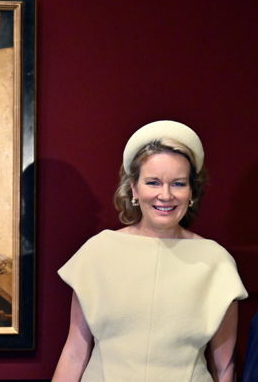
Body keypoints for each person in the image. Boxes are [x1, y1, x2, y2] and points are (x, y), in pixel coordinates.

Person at [52, 120, 247, 381]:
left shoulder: (216, 261)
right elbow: (75, 352)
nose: (165, 195)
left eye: (178, 183)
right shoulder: (98, 252)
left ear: (192, 192)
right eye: (153, 182)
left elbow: (224, 367)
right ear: (134, 188)